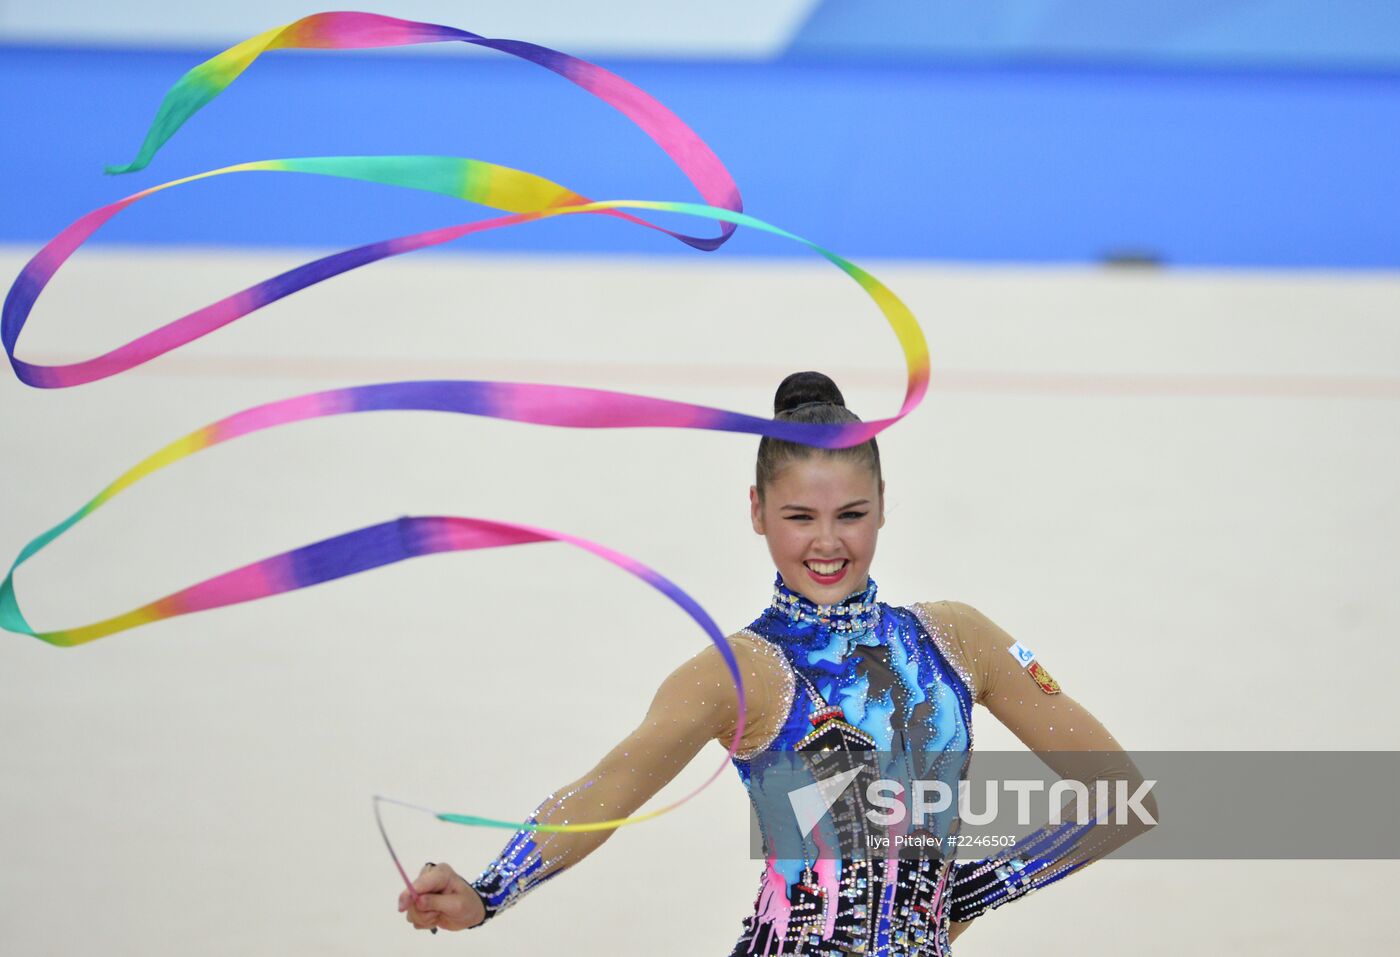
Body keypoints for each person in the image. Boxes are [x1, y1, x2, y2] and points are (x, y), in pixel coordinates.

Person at [396, 371, 1157, 953]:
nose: (827, 543)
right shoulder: (743, 670)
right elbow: (609, 785)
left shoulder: (959, 639)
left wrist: (963, 896)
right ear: (757, 512)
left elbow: (1121, 795)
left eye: (850, 515)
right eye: (799, 517)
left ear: (884, 505)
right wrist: (490, 889)